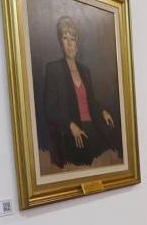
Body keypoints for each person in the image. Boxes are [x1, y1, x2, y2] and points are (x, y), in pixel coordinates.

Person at [42, 16, 120, 168]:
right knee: (86, 160)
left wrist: (102, 111)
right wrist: (70, 125)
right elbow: (50, 108)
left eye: (73, 39)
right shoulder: (54, 69)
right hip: (72, 129)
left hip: (92, 124)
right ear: (60, 43)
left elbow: (90, 101)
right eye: (65, 38)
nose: (70, 43)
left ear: (77, 44)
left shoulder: (85, 70)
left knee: (112, 148)